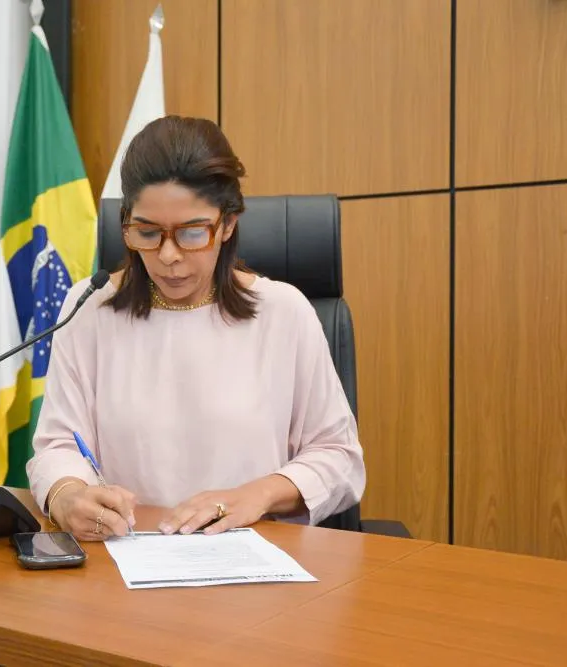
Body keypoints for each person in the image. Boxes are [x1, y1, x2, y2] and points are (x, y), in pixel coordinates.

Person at [26, 115, 365, 542]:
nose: (168, 255)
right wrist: (67, 494)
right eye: (147, 232)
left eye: (190, 233)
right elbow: (58, 446)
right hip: (124, 562)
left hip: (254, 565)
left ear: (227, 224)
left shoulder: (284, 313)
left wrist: (256, 495)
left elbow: (340, 458)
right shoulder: (89, 309)